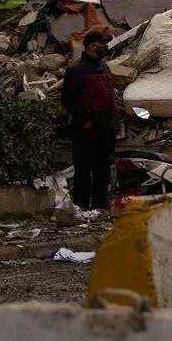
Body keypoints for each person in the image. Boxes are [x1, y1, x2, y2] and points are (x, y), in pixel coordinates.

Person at [61, 30, 120, 210]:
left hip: (106, 126)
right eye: (102, 43)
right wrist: (85, 121)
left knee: (102, 168)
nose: (104, 47)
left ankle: (100, 206)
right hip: (87, 129)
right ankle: (82, 206)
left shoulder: (104, 66)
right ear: (92, 45)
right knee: (84, 169)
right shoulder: (76, 70)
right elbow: (69, 100)